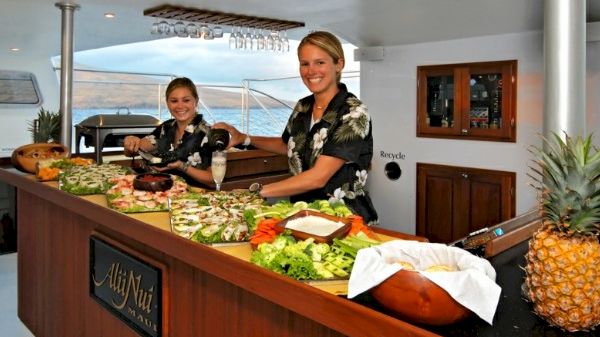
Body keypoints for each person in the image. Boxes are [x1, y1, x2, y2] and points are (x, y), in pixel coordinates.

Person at [214, 31, 378, 225]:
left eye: (320, 62)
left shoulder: (353, 113)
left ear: (339, 64)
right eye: (304, 63)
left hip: (344, 220)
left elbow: (318, 177)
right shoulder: (303, 107)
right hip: (303, 214)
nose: (311, 71)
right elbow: (290, 146)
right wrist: (244, 139)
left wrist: (257, 192)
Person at [123, 77, 216, 187]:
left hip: (198, 198)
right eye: (174, 101)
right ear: (167, 103)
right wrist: (130, 141)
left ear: (196, 101)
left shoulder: (211, 134)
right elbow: (131, 152)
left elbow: (214, 179)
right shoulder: (166, 128)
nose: (180, 106)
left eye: (186, 100)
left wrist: (182, 166)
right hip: (165, 194)